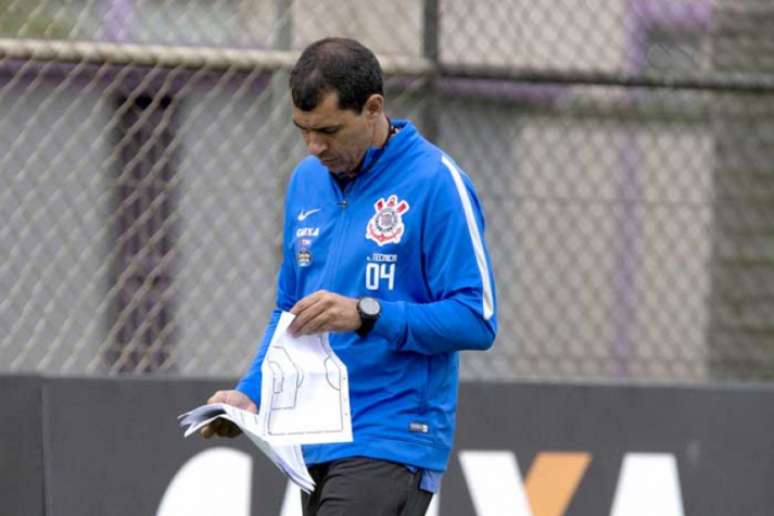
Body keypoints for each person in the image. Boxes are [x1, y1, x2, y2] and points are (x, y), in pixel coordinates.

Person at [202, 36, 497, 516]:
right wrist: (251, 393)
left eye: (330, 130)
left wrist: (366, 314)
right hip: (314, 440)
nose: (315, 146)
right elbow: (289, 311)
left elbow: (476, 319)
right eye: (303, 130)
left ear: (374, 108)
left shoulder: (437, 182)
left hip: (392, 436)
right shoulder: (305, 181)